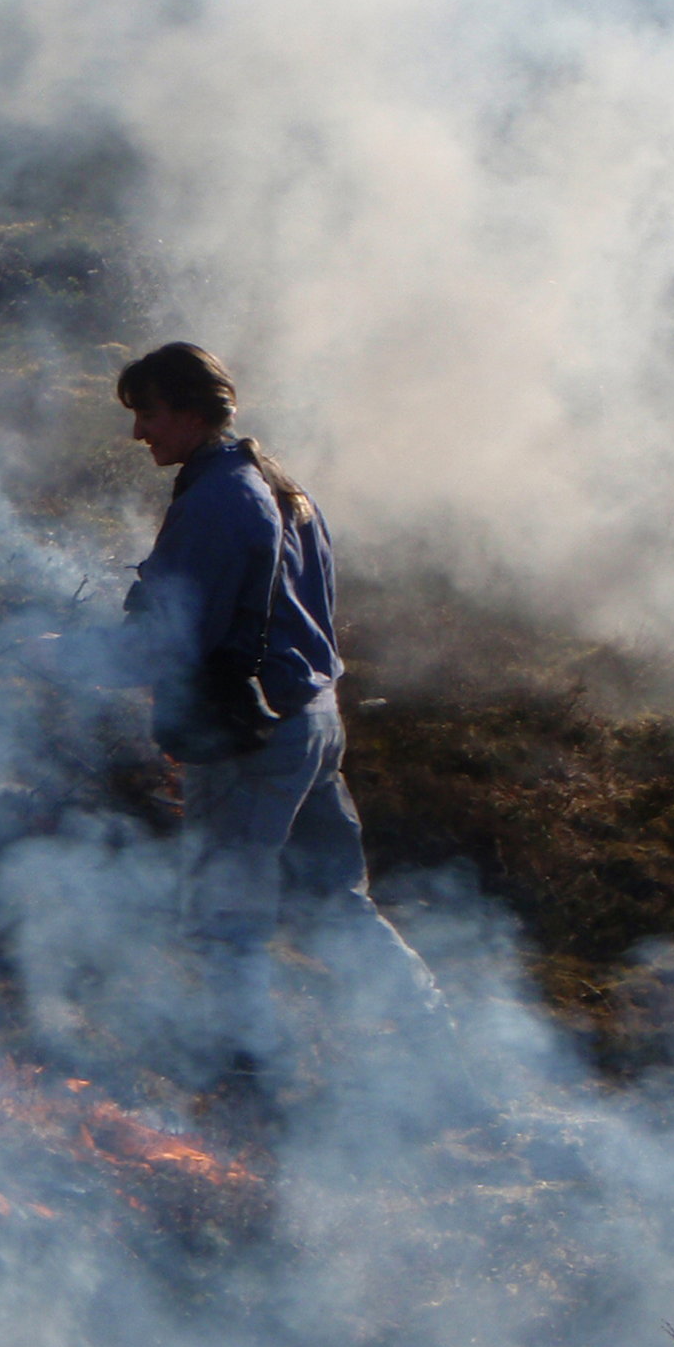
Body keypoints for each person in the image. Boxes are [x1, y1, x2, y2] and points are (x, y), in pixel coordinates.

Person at [107, 342, 443, 1099]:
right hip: (312, 722)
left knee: (225, 913)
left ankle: (242, 1080)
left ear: (191, 413)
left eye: (148, 413)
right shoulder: (283, 489)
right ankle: (433, 1042)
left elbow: (172, 636)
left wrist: (69, 656)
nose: (139, 433)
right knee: (337, 901)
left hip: (250, 738)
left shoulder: (216, 503)